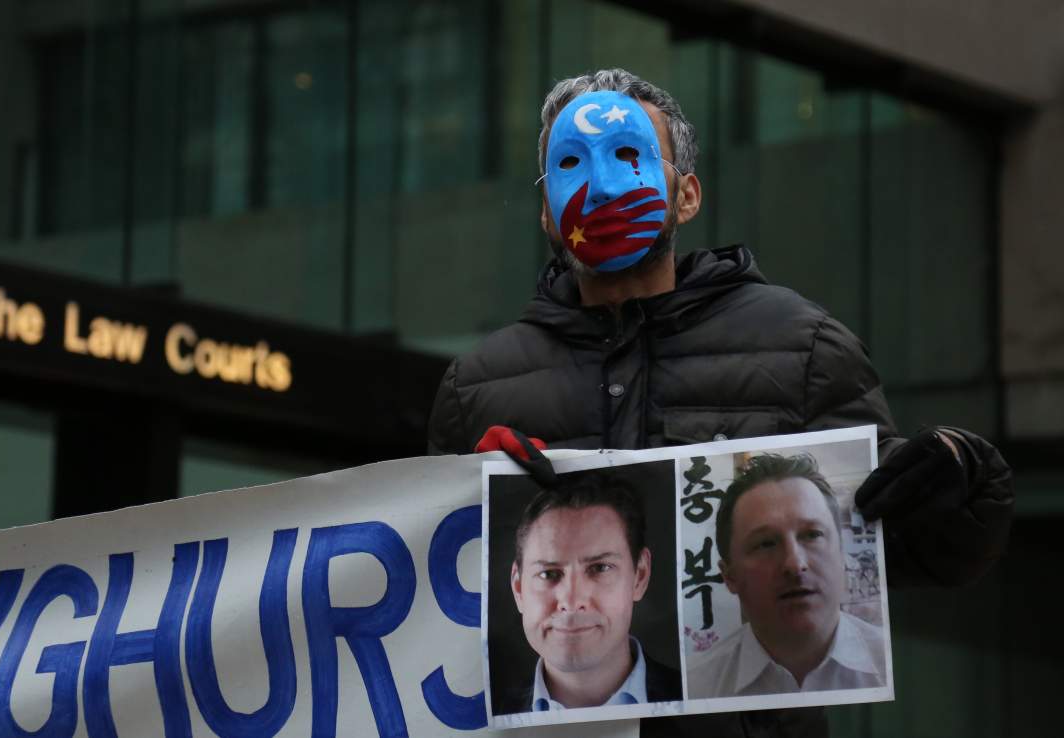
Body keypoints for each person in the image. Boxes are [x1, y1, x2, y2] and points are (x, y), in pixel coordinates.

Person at [428, 68, 1013, 737]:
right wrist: (470, 504)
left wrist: (962, 478)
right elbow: (436, 610)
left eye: (629, 156)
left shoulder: (803, 352)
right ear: (545, 213)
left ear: (686, 195)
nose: (602, 185)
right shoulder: (477, 388)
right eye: (569, 164)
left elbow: (913, 548)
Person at [687, 454, 886, 698]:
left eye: (812, 535)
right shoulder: (695, 688)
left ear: (842, 553)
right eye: (766, 543)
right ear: (729, 577)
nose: (795, 564)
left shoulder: (890, 660)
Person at [495, 473, 681, 715]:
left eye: (600, 568)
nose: (571, 602)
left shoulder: (707, 702)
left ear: (640, 575)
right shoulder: (478, 720)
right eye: (548, 574)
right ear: (518, 588)